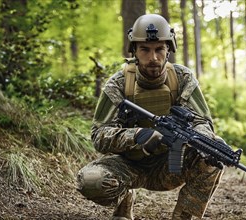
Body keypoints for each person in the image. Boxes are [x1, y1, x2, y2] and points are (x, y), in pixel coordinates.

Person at [77, 14, 225, 220]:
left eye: (159, 49)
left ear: (168, 50)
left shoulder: (183, 79)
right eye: (145, 49)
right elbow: (99, 136)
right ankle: (124, 199)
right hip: (129, 165)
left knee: (214, 150)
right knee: (91, 181)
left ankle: (185, 216)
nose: (153, 57)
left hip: (172, 166)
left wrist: (198, 139)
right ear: (135, 51)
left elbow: (203, 122)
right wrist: (136, 136)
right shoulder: (118, 85)